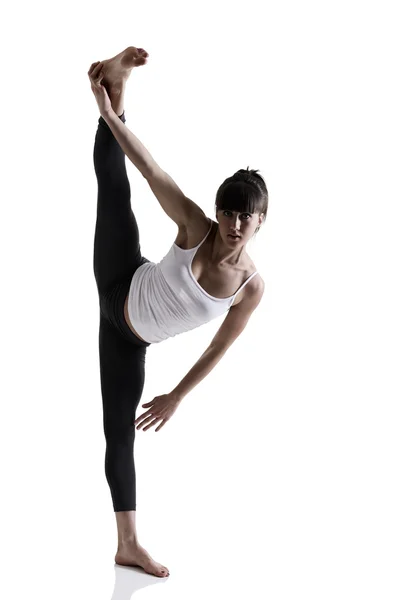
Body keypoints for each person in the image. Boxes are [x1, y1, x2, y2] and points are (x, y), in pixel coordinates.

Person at [88, 46, 268, 578]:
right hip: (119, 277)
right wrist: (107, 116)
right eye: (229, 212)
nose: (235, 224)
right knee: (115, 189)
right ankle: (115, 90)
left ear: (262, 222)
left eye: (246, 217)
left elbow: (218, 348)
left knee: (118, 431)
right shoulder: (196, 228)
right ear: (218, 212)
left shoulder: (251, 289)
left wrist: (176, 397)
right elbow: (150, 168)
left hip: (125, 339)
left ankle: (127, 544)